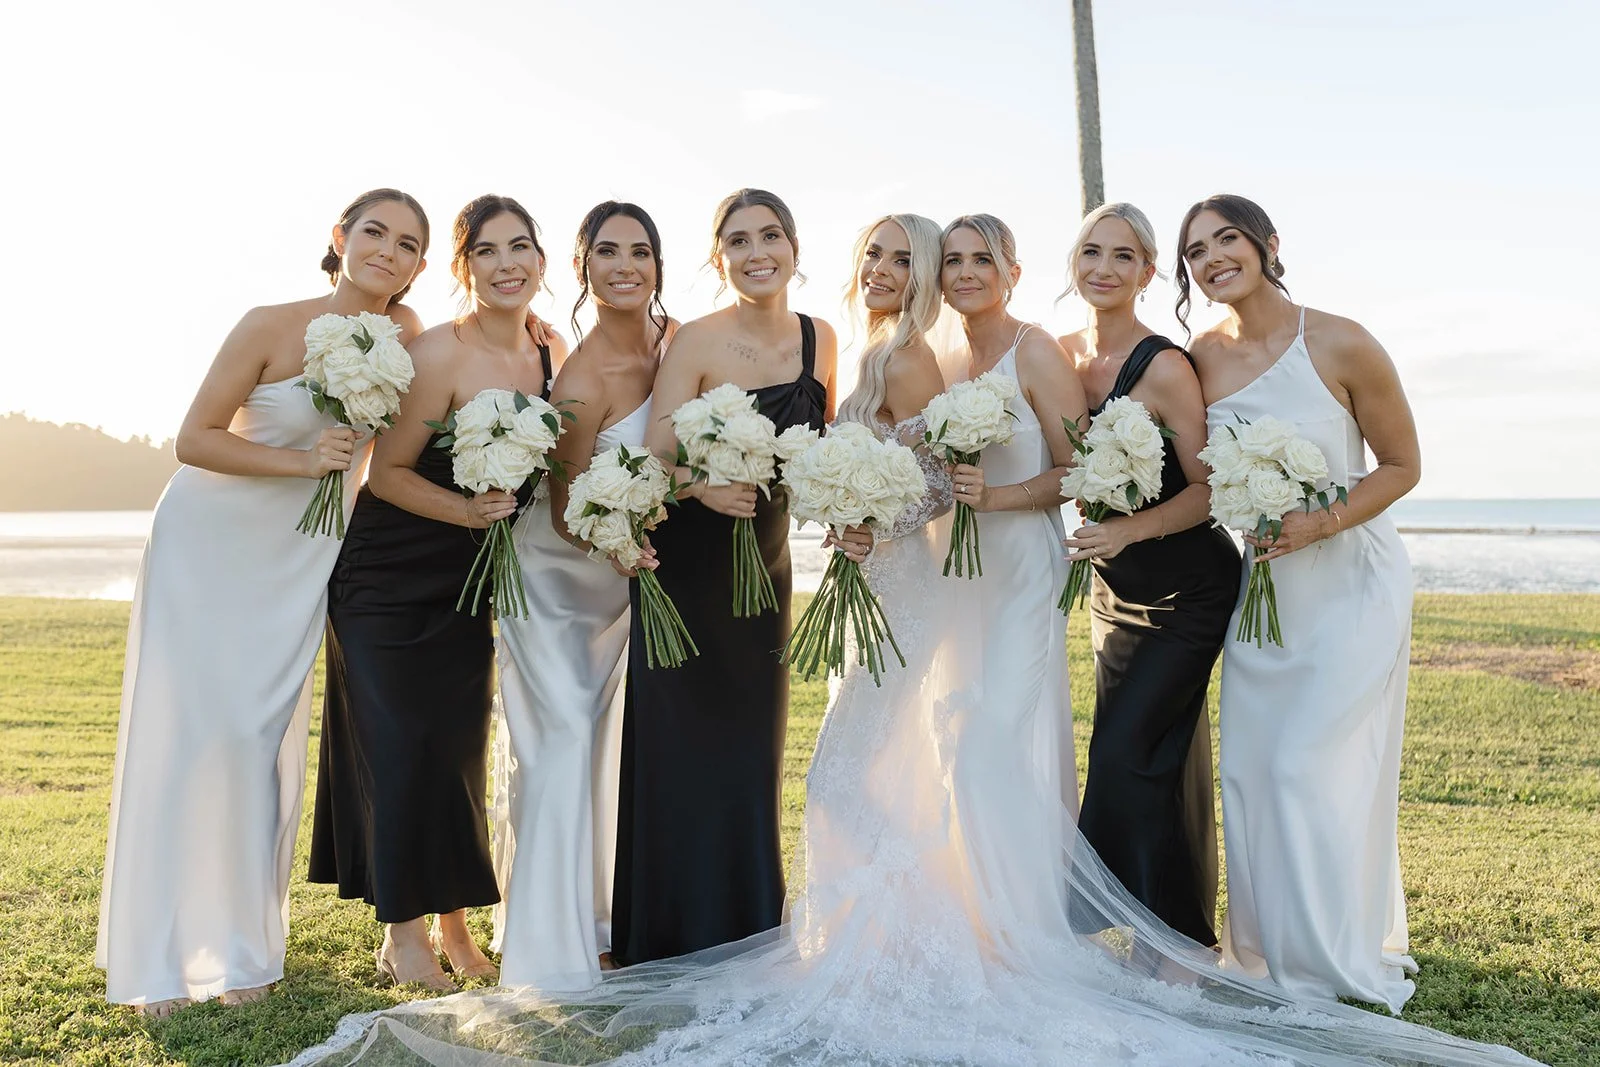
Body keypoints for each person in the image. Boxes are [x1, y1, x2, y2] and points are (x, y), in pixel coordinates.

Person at [97, 189, 428, 1015]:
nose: (388, 250)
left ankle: (244, 950)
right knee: (188, 737)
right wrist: (305, 462)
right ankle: (161, 955)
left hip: (299, 563)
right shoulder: (268, 323)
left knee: (255, 740)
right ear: (339, 237)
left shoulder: (410, 339)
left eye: (409, 244)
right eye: (375, 232)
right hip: (209, 545)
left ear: (422, 265)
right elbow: (194, 437)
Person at [310, 194, 563, 991]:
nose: (507, 264)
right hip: (385, 577)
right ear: (463, 268)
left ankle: (456, 925)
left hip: (467, 586)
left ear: (542, 262)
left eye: (520, 247)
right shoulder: (438, 355)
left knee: (456, 750)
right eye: (487, 251)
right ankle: (404, 935)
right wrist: (467, 509)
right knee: (400, 747)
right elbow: (384, 474)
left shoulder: (550, 356)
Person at [1180, 193, 1423, 1012]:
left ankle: (1326, 956)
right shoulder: (1198, 357)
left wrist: (1319, 521)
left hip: (1351, 580)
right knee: (1254, 770)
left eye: (1226, 239)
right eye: (1196, 251)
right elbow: (1199, 478)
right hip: (1266, 594)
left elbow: (1400, 465)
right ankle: (1265, 950)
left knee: (1304, 765)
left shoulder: (1342, 340)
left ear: (1268, 243)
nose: (1212, 258)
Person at [609, 188, 835, 965]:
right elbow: (653, 463)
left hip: (763, 570)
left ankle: (747, 926)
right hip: (690, 567)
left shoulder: (820, 338)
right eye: (737, 240)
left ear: (795, 245)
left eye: (770, 234)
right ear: (719, 259)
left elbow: (818, 453)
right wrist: (703, 484)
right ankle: (667, 933)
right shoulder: (696, 343)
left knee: (750, 749)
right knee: (680, 746)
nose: (756, 251)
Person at [492, 201, 675, 990]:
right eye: (607, 252)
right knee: (562, 741)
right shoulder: (581, 376)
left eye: (640, 250)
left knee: (606, 746)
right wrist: (619, 543)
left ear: (659, 266)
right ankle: (547, 946)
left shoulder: (677, 345)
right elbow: (563, 510)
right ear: (583, 269)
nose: (625, 264)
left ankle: (599, 922)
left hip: (621, 579)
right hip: (557, 578)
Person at [1056, 201, 1240, 950]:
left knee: (1126, 755)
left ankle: (1150, 935)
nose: (1103, 267)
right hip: (1115, 592)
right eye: (1091, 252)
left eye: (1123, 256)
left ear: (1148, 271)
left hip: (1187, 586)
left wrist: (1125, 527)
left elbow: (1209, 490)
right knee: (1167, 758)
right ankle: (1178, 937)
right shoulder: (1061, 355)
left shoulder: (1165, 365)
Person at [939, 213, 1086, 931]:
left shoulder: (1037, 351)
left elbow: (1074, 468)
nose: (967, 272)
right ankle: (973, 911)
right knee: (958, 730)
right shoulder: (942, 358)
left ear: (1012, 272)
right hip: (958, 575)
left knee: (991, 738)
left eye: (983, 259)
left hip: (1026, 564)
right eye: (953, 260)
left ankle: (1019, 925)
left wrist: (995, 498)